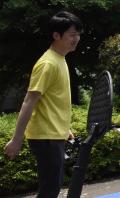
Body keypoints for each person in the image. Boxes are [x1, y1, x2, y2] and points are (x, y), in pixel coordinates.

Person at [4, 11, 83, 198]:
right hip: (45, 137)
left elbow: (53, 102)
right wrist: (17, 139)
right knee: (50, 190)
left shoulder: (60, 59)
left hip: (53, 135)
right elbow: (29, 101)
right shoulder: (48, 64)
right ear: (56, 35)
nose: (76, 39)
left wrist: (65, 128)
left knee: (51, 188)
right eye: (72, 34)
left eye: (78, 34)